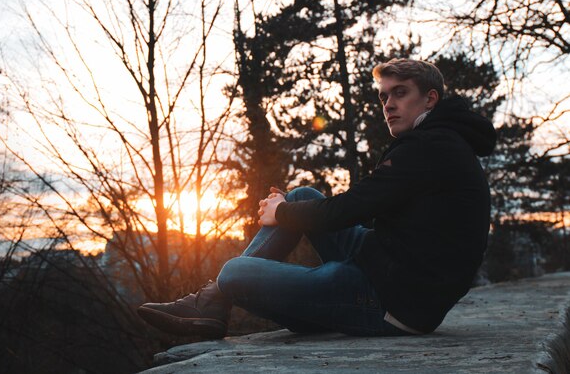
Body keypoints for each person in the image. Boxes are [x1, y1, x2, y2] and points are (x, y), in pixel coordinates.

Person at [137, 58, 497, 338]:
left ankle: (215, 301)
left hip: (393, 303)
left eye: (400, 93)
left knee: (235, 272)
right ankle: (212, 304)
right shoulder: (439, 141)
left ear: (430, 98)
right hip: (392, 271)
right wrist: (290, 208)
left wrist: (282, 214)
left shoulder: (429, 148)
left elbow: (347, 209)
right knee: (303, 195)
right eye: (384, 95)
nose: (388, 104)